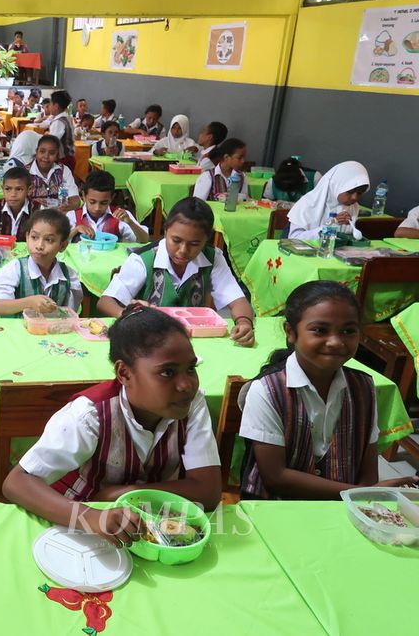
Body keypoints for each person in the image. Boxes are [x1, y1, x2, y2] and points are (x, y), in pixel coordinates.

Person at [1, 305, 222, 537]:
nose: (186, 385)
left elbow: (207, 491)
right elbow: (17, 482)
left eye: (191, 368)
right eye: (167, 372)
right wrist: (94, 517)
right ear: (124, 374)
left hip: (147, 526)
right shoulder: (90, 415)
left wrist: (119, 494)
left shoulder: (191, 403)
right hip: (76, 521)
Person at [239, 281, 418, 499]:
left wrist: (365, 493)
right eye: (320, 330)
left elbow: (368, 473)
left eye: (348, 331)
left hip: (343, 511)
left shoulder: (364, 387)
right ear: (291, 332)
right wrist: (365, 493)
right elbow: (275, 477)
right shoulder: (266, 390)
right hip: (276, 509)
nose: (335, 342)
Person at [98, 197, 256, 346]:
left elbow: (238, 301)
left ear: (206, 239)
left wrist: (244, 323)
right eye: (176, 240)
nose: (183, 250)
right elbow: (105, 302)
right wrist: (127, 314)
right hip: (149, 344)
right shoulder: (143, 259)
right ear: (165, 231)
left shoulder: (213, 258)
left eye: (194, 244)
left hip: (194, 344)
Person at [0, 209, 81, 316]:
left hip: (52, 330)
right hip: (15, 331)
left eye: (49, 240)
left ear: (63, 245)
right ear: (27, 237)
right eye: (34, 237)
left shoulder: (69, 276)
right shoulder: (14, 269)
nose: (39, 246)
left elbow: (70, 314)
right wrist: (29, 302)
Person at [287, 162, 370, 240]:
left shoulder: (353, 206)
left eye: (359, 193)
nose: (354, 198)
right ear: (335, 186)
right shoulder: (308, 203)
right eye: (349, 192)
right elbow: (294, 238)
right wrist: (330, 225)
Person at [68, 170, 149, 243]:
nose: (97, 208)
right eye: (92, 202)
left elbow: (145, 240)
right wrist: (76, 230)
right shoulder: (73, 216)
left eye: (104, 203)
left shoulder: (121, 216)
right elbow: (59, 243)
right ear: (83, 196)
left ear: (112, 198)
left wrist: (130, 223)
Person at [0, 167, 33, 241]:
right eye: (8, 189)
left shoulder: (38, 209)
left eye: (19, 189)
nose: (13, 194)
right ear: (3, 189)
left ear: (29, 190)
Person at [28, 135, 79, 208]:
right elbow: (18, 202)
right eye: (42, 151)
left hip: (59, 215)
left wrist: (58, 206)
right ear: (36, 152)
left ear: (57, 155)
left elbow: (75, 200)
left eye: (51, 153)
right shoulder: (25, 172)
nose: (46, 156)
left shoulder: (63, 171)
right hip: (33, 217)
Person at [39, 90, 76, 170]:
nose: (49, 107)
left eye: (50, 104)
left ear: (56, 106)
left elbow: (52, 142)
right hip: (69, 158)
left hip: (63, 160)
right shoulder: (67, 118)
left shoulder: (59, 122)